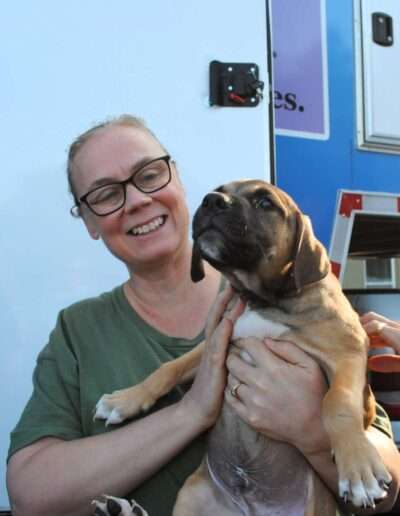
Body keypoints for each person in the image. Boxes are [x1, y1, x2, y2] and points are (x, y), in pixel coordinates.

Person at [6, 115, 400, 516]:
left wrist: (313, 435)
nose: (137, 200)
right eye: (106, 194)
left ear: (177, 180)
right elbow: (30, 497)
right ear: (89, 222)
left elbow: (387, 488)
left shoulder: (311, 309)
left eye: (149, 174)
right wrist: (191, 411)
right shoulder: (77, 330)